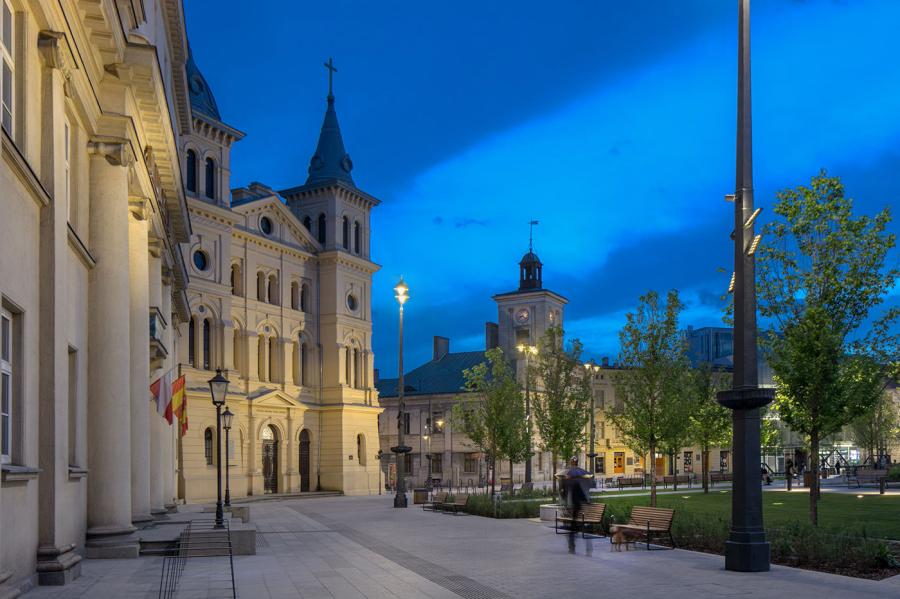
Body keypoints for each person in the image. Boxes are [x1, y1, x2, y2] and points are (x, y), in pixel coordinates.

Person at [561, 457, 592, 555]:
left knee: (573, 526)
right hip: (578, 507)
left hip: (573, 508)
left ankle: (572, 545)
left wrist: (565, 501)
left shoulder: (569, 478)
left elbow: (563, 493)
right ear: (577, 463)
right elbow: (582, 495)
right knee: (576, 526)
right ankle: (577, 545)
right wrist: (587, 501)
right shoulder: (579, 477)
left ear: (571, 463)